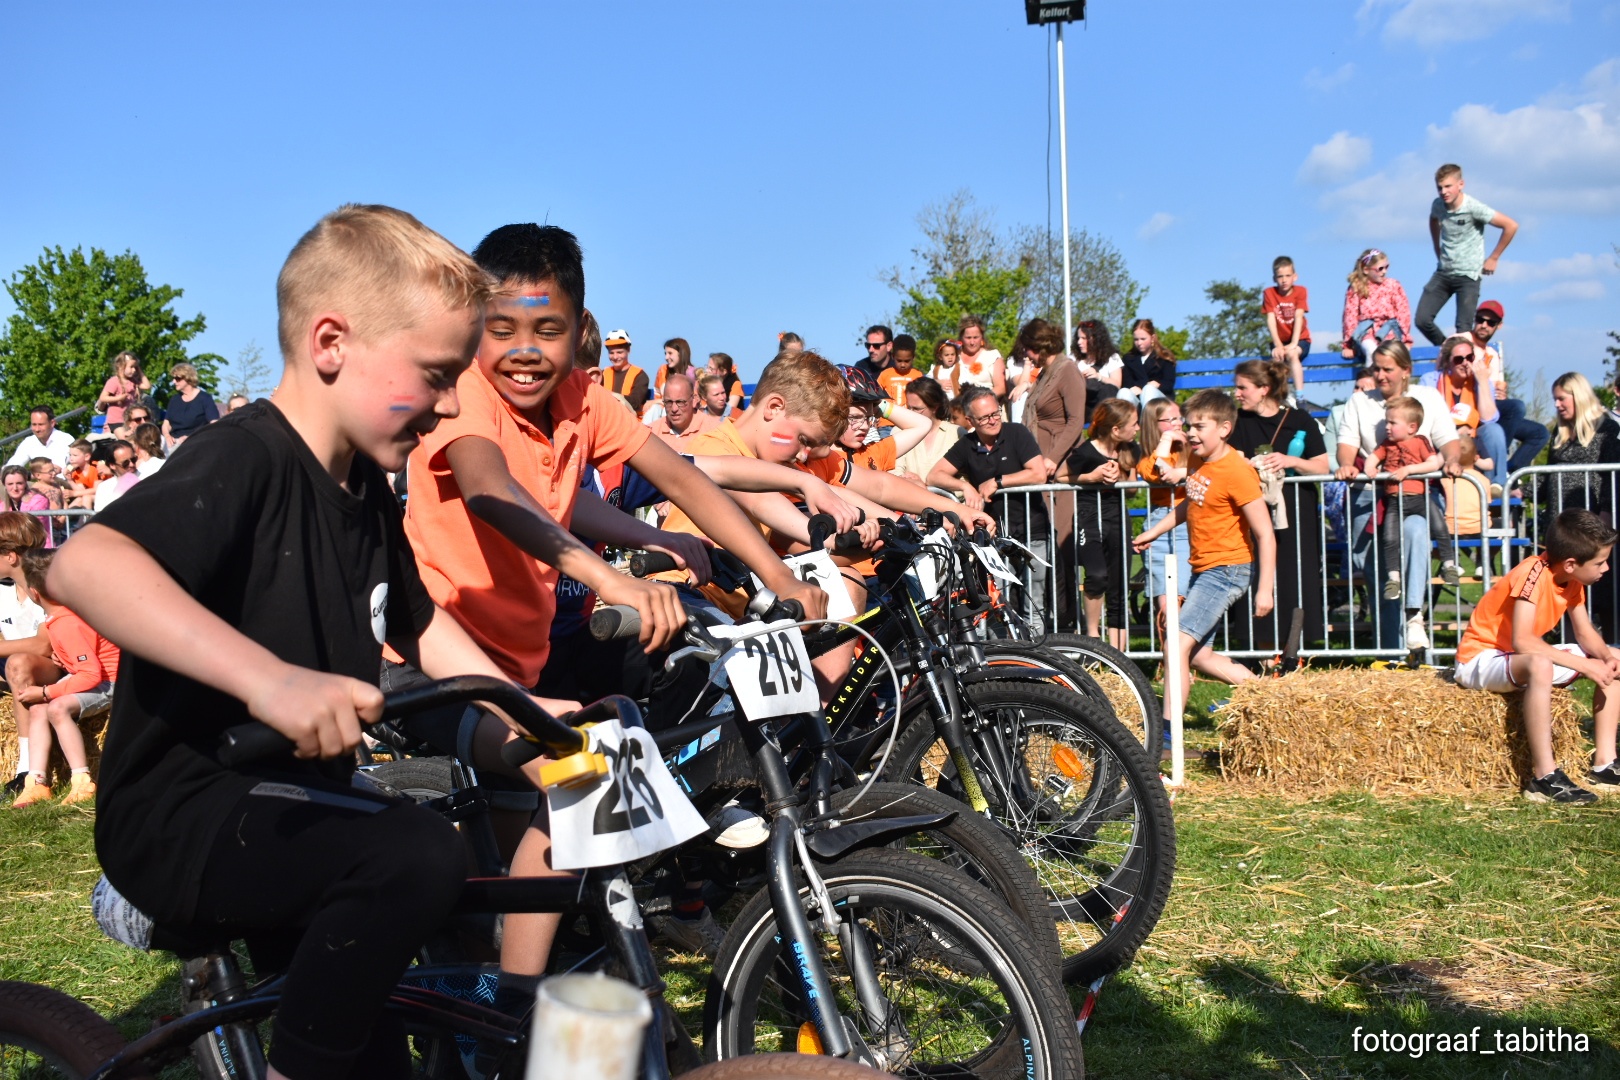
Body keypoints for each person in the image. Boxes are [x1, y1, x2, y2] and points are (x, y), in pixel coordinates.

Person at [1135, 391, 1276, 739]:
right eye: (1189, 425)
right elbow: (1190, 505)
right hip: (1205, 568)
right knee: (1198, 655)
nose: (1191, 433)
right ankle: (1270, 696)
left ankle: (1165, 733)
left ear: (1224, 428)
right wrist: (1154, 531)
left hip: (1227, 570)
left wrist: (1265, 591)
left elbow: (1265, 533)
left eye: (1200, 426)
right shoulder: (1199, 462)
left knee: (1175, 643)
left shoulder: (1237, 472)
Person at [1454, 510, 1620, 804]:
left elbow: (1584, 631)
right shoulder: (1532, 572)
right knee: (1540, 663)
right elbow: (1523, 640)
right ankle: (1544, 778)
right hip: (1480, 659)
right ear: (1571, 564)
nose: (1605, 568)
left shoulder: (1572, 579)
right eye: (1599, 562)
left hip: (1515, 659)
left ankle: (1605, 765)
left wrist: (1606, 658)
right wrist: (1585, 665)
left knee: (1616, 659)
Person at [1335, 340, 1463, 648]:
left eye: (1387, 369)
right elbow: (1347, 445)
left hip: (1416, 491)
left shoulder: (1428, 397)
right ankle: (1392, 651)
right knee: (1379, 573)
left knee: (1417, 533)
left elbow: (1448, 440)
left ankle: (1414, 618)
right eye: (1376, 368)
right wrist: (1346, 464)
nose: (1380, 375)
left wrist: (1452, 460)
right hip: (1371, 494)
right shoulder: (1359, 401)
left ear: (1406, 370)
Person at [1229, 358, 1331, 652]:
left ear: (1264, 388)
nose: (1237, 393)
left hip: (1297, 513)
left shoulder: (1300, 420)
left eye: (1242, 387)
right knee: (1258, 577)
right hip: (1253, 511)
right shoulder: (1236, 421)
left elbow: (1322, 466)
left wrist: (1290, 461)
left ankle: (1291, 654)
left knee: (1293, 579)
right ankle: (1263, 653)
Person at [8, 548, 119, 808]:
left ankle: (82, 780)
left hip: (111, 682)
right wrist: (63, 660)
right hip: (88, 675)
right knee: (38, 710)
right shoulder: (59, 616)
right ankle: (36, 782)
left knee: (56, 708)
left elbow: (91, 673)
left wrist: (46, 692)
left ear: (34, 593)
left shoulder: (67, 621)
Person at [930, 386, 1048, 629]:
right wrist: (965, 487)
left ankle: (1038, 648)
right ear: (970, 420)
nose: (993, 421)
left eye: (996, 413)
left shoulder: (1017, 432)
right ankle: (1002, 650)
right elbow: (935, 476)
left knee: (1035, 601)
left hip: (1031, 529)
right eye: (984, 418)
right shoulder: (967, 444)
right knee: (997, 602)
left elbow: (1038, 473)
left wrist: (998, 482)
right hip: (993, 536)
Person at [1362, 396, 1462, 649]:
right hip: (1395, 500)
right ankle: (1393, 578)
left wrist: (1408, 470)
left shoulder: (1420, 441)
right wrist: (1371, 468)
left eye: (1392, 423)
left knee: (1439, 527)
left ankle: (1449, 564)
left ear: (1411, 427)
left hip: (1418, 497)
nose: (1387, 427)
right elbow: (1373, 458)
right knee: (1389, 537)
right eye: (1386, 422)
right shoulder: (1386, 445)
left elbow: (1432, 462)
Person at [1020, 318, 1088, 629]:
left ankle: (1068, 622)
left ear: (1039, 345)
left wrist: (1052, 459)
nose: (1026, 355)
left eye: (1028, 349)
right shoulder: (1045, 372)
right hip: (1039, 468)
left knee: (1062, 547)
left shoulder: (1068, 370)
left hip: (1060, 470)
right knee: (1045, 546)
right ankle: (1051, 619)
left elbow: (1075, 422)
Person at [1058, 400, 1138, 648]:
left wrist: (1121, 476)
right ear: (1116, 429)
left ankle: (1118, 654)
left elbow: (1133, 490)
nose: (1137, 428)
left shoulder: (1130, 449)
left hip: (1117, 516)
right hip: (1089, 515)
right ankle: (1093, 639)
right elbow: (1060, 476)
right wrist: (1092, 477)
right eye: (1134, 424)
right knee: (1096, 575)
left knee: (1119, 583)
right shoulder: (1085, 451)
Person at [1416, 163, 1519, 346]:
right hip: (1444, 272)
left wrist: (1494, 258)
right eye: (1440, 188)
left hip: (1468, 276)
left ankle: (1460, 355)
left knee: (1463, 329)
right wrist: (1436, 246)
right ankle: (1448, 349)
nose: (1443, 192)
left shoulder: (1473, 207)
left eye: (1448, 186)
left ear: (1460, 184)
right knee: (1422, 320)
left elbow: (1511, 225)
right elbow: (1433, 219)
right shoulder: (1438, 205)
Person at [0, 512, 56, 800]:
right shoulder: (3, 591)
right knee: (15, 662)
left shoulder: (48, 586)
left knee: (17, 664)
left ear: (10, 556)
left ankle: (26, 769)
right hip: (15, 663)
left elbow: (44, 646)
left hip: (57, 666)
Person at [1462, 300, 1548, 477]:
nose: (1484, 325)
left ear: (1499, 326)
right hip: (1469, 407)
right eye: (1480, 319)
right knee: (1516, 407)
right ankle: (1498, 468)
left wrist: (1500, 394)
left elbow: (1495, 392)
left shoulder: (1492, 354)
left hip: (1489, 409)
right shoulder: (1462, 342)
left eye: (1491, 322)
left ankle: (1508, 472)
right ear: (1474, 319)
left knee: (1540, 433)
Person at [1423, 334, 1505, 491]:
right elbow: (1428, 418)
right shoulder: (1430, 381)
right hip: (1443, 436)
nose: (1465, 363)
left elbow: (1489, 418)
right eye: (1458, 359)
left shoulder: (1481, 380)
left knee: (1494, 430)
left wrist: (1482, 382)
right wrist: (1455, 431)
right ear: (1448, 362)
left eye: (1469, 358)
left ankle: (1495, 485)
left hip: (1474, 438)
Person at [1137, 397, 1191, 619]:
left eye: (1179, 418)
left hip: (1190, 519)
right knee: (1167, 598)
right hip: (1160, 521)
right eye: (1170, 420)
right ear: (1154, 424)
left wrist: (1183, 473)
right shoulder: (1145, 456)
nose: (1178, 423)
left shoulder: (1193, 447)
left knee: (1185, 593)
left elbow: (1214, 469)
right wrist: (1167, 439)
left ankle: (1184, 641)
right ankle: (1169, 641)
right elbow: (1153, 472)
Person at [835, 367, 930, 473]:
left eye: (868, 418)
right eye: (855, 418)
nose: (865, 426)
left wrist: (880, 406)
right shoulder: (822, 460)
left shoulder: (873, 453)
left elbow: (923, 425)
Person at [1340, 248, 1411, 364]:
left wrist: (1405, 338)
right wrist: (1348, 345)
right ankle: (1372, 375)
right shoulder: (1357, 288)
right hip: (1366, 332)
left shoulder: (1393, 285)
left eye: (1386, 267)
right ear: (1366, 270)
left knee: (1389, 353)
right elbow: (1350, 317)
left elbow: (1403, 312)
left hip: (1390, 330)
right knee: (1371, 350)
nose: (1384, 271)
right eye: (1380, 268)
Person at [894, 377, 959, 485]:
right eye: (909, 407)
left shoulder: (956, 433)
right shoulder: (899, 432)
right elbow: (894, 471)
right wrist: (910, 481)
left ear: (935, 407)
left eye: (917, 409)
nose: (911, 412)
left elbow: (964, 477)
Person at [1263, 256, 1311, 399]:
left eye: (1288, 276)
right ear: (1274, 278)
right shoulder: (1269, 293)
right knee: (1276, 359)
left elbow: (1298, 316)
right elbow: (1271, 319)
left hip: (1300, 339)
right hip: (1280, 340)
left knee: (1292, 354)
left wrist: (1294, 343)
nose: (1284, 280)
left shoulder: (1300, 291)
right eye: (1280, 276)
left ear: (1295, 277)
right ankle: (1280, 397)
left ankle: (1300, 395)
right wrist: (1278, 344)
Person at [644, 371, 718, 449]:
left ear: (694, 400)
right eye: (669, 402)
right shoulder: (651, 434)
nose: (674, 409)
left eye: (680, 402)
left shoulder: (715, 432)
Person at [1118, 319, 1177, 408]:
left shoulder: (1164, 357)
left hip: (1160, 401)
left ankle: (1148, 417)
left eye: (1143, 339)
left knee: (1149, 390)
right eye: (1136, 339)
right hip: (1137, 399)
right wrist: (1133, 389)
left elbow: (1168, 384)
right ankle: (1124, 417)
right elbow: (1126, 382)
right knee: (1123, 392)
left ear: (1152, 338)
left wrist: (1154, 386)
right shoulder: (1129, 359)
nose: (1139, 343)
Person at [162, 362, 220, 449]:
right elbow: (166, 424)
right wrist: (167, 436)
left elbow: (214, 424)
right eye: (173, 378)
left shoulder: (205, 398)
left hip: (197, 443)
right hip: (174, 443)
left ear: (188, 378)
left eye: (177, 378)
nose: (174, 381)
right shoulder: (174, 400)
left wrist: (191, 437)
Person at [600, 328, 650, 415]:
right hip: (606, 417)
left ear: (628, 350)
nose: (615, 357)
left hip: (630, 419)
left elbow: (635, 402)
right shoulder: (602, 374)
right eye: (611, 353)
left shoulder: (640, 375)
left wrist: (610, 396)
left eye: (619, 352)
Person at [7, 407, 75, 470]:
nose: (37, 429)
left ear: (52, 423)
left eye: (41, 424)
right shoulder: (28, 442)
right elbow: (11, 467)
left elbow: (75, 466)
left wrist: (64, 470)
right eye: (34, 424)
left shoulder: (66, 440)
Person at [97, 351, 152, 428]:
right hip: (116, 421)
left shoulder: (133, 381)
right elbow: (103, 398)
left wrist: (139, 370)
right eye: (131, 367)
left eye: (135, 367)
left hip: (128, 421)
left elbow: (147, 386)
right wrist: (118, 398)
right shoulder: (114, 381)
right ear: (121, 366)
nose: (134, 370)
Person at [956, 315, 1005, 401]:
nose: (972, 342)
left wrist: (978, 401)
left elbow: (1000, 388)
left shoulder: (992, 356)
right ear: (961, 338)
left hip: (985, 403)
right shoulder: (953, 356)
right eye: (968, 338)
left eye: (975, 337)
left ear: (982, 337)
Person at [876, 334, 925, 407]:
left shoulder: (918, 376)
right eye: (899, 361)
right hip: (887, 414)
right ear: (893, 356)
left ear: (913, 357)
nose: (902, 365)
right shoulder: (885, 374)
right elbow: (876, 393)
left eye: (907, 361)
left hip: (910, 414)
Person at [91, 442, 137, 512]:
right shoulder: (104, 488)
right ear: (112, 465)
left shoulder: (146, 476)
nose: (131, 465)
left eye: (134, 459)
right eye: (125, 463)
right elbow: (101, 515)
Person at [706, 351, 744, 417]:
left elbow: (731, 407)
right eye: (707, 367)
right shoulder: (707, 384)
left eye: (711, 369)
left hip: (731, 419)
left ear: (723, 371)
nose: (707, 371)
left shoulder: (735, 384)